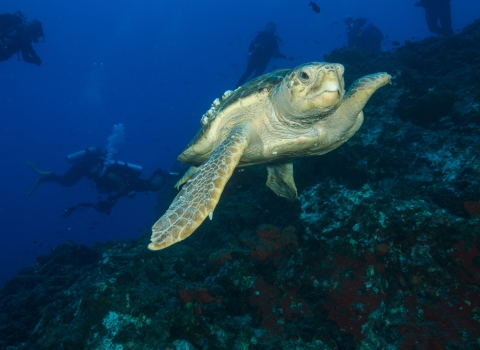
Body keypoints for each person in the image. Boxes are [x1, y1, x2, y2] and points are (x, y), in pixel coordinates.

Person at [27, 147, 172, 215]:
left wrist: (113, 198)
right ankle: (163, 174)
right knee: (151, 187)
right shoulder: (108, 175)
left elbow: (122, 187)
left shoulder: (105, 174)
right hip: (86, 167)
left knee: (150, 186)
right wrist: (122, 195)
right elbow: (122, 187)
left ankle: (160, 173)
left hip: (84, 167)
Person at [236, 22, 294, 88]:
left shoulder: (274, 39)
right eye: (270, 27)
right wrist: (250, 54)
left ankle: (247, 92)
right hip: (254, 58)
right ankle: (235, 88)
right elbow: (251, 46)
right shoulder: (260, 35)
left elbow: (277, 53)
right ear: (266, 27)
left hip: (263, 61)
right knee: (247, 73)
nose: (271, 30)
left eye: (273, 28)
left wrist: (286, 57)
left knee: (256, 78)